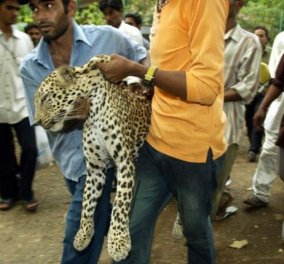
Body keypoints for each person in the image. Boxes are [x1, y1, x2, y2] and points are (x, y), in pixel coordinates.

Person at [98, 1, 228, 263]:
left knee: (196, 234)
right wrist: (147, 86)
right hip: (154, 141)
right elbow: (173, 65)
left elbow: (205, 87)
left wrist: (137, 70)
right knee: (129, 228)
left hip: (193, 153)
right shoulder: (162, 4)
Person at [19, 0, 147, 263]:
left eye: (49, 5)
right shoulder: (31, 67)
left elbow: (143, 65)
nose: (40, 15)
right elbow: (45, 121)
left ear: (71, 8)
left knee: (82, 243)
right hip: (78, 164)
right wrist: (80, 108)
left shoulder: (109, 38)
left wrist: (138, 87)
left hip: (126, 150)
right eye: (34, 8)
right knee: (100, 222)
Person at [211, 0, 262, 220]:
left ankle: (217, 204)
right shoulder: (200, 34)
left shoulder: (249, 42)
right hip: (191, 118)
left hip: (227, 117)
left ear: (240, 3)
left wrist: (202, 92)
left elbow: (247, 87)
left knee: (218, 174)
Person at [0, 0, 38, 211]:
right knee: (3, 154)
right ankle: (8, 193)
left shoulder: (24, 39)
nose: (15, 13)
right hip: (0, 109)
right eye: (9, 8)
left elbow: (31, 73)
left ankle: (26, 190)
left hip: (23, 105)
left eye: (17, 8)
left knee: (31, 150)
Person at [243, 30, 284, 209]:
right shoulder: (281, 38)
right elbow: (278, 78)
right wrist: (263, 106)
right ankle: (260, 193)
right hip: (280, 102)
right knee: (270, 148)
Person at [245, 26, 271, 162]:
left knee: (257, 115)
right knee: (249, 119)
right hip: (247, 92)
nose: (258, 38)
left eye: (261, 35)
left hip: (265, 92)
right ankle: (253, 143)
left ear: (267, 39)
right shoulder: (246, 52)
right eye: (256, 35)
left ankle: (253, 149)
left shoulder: (272, 55)